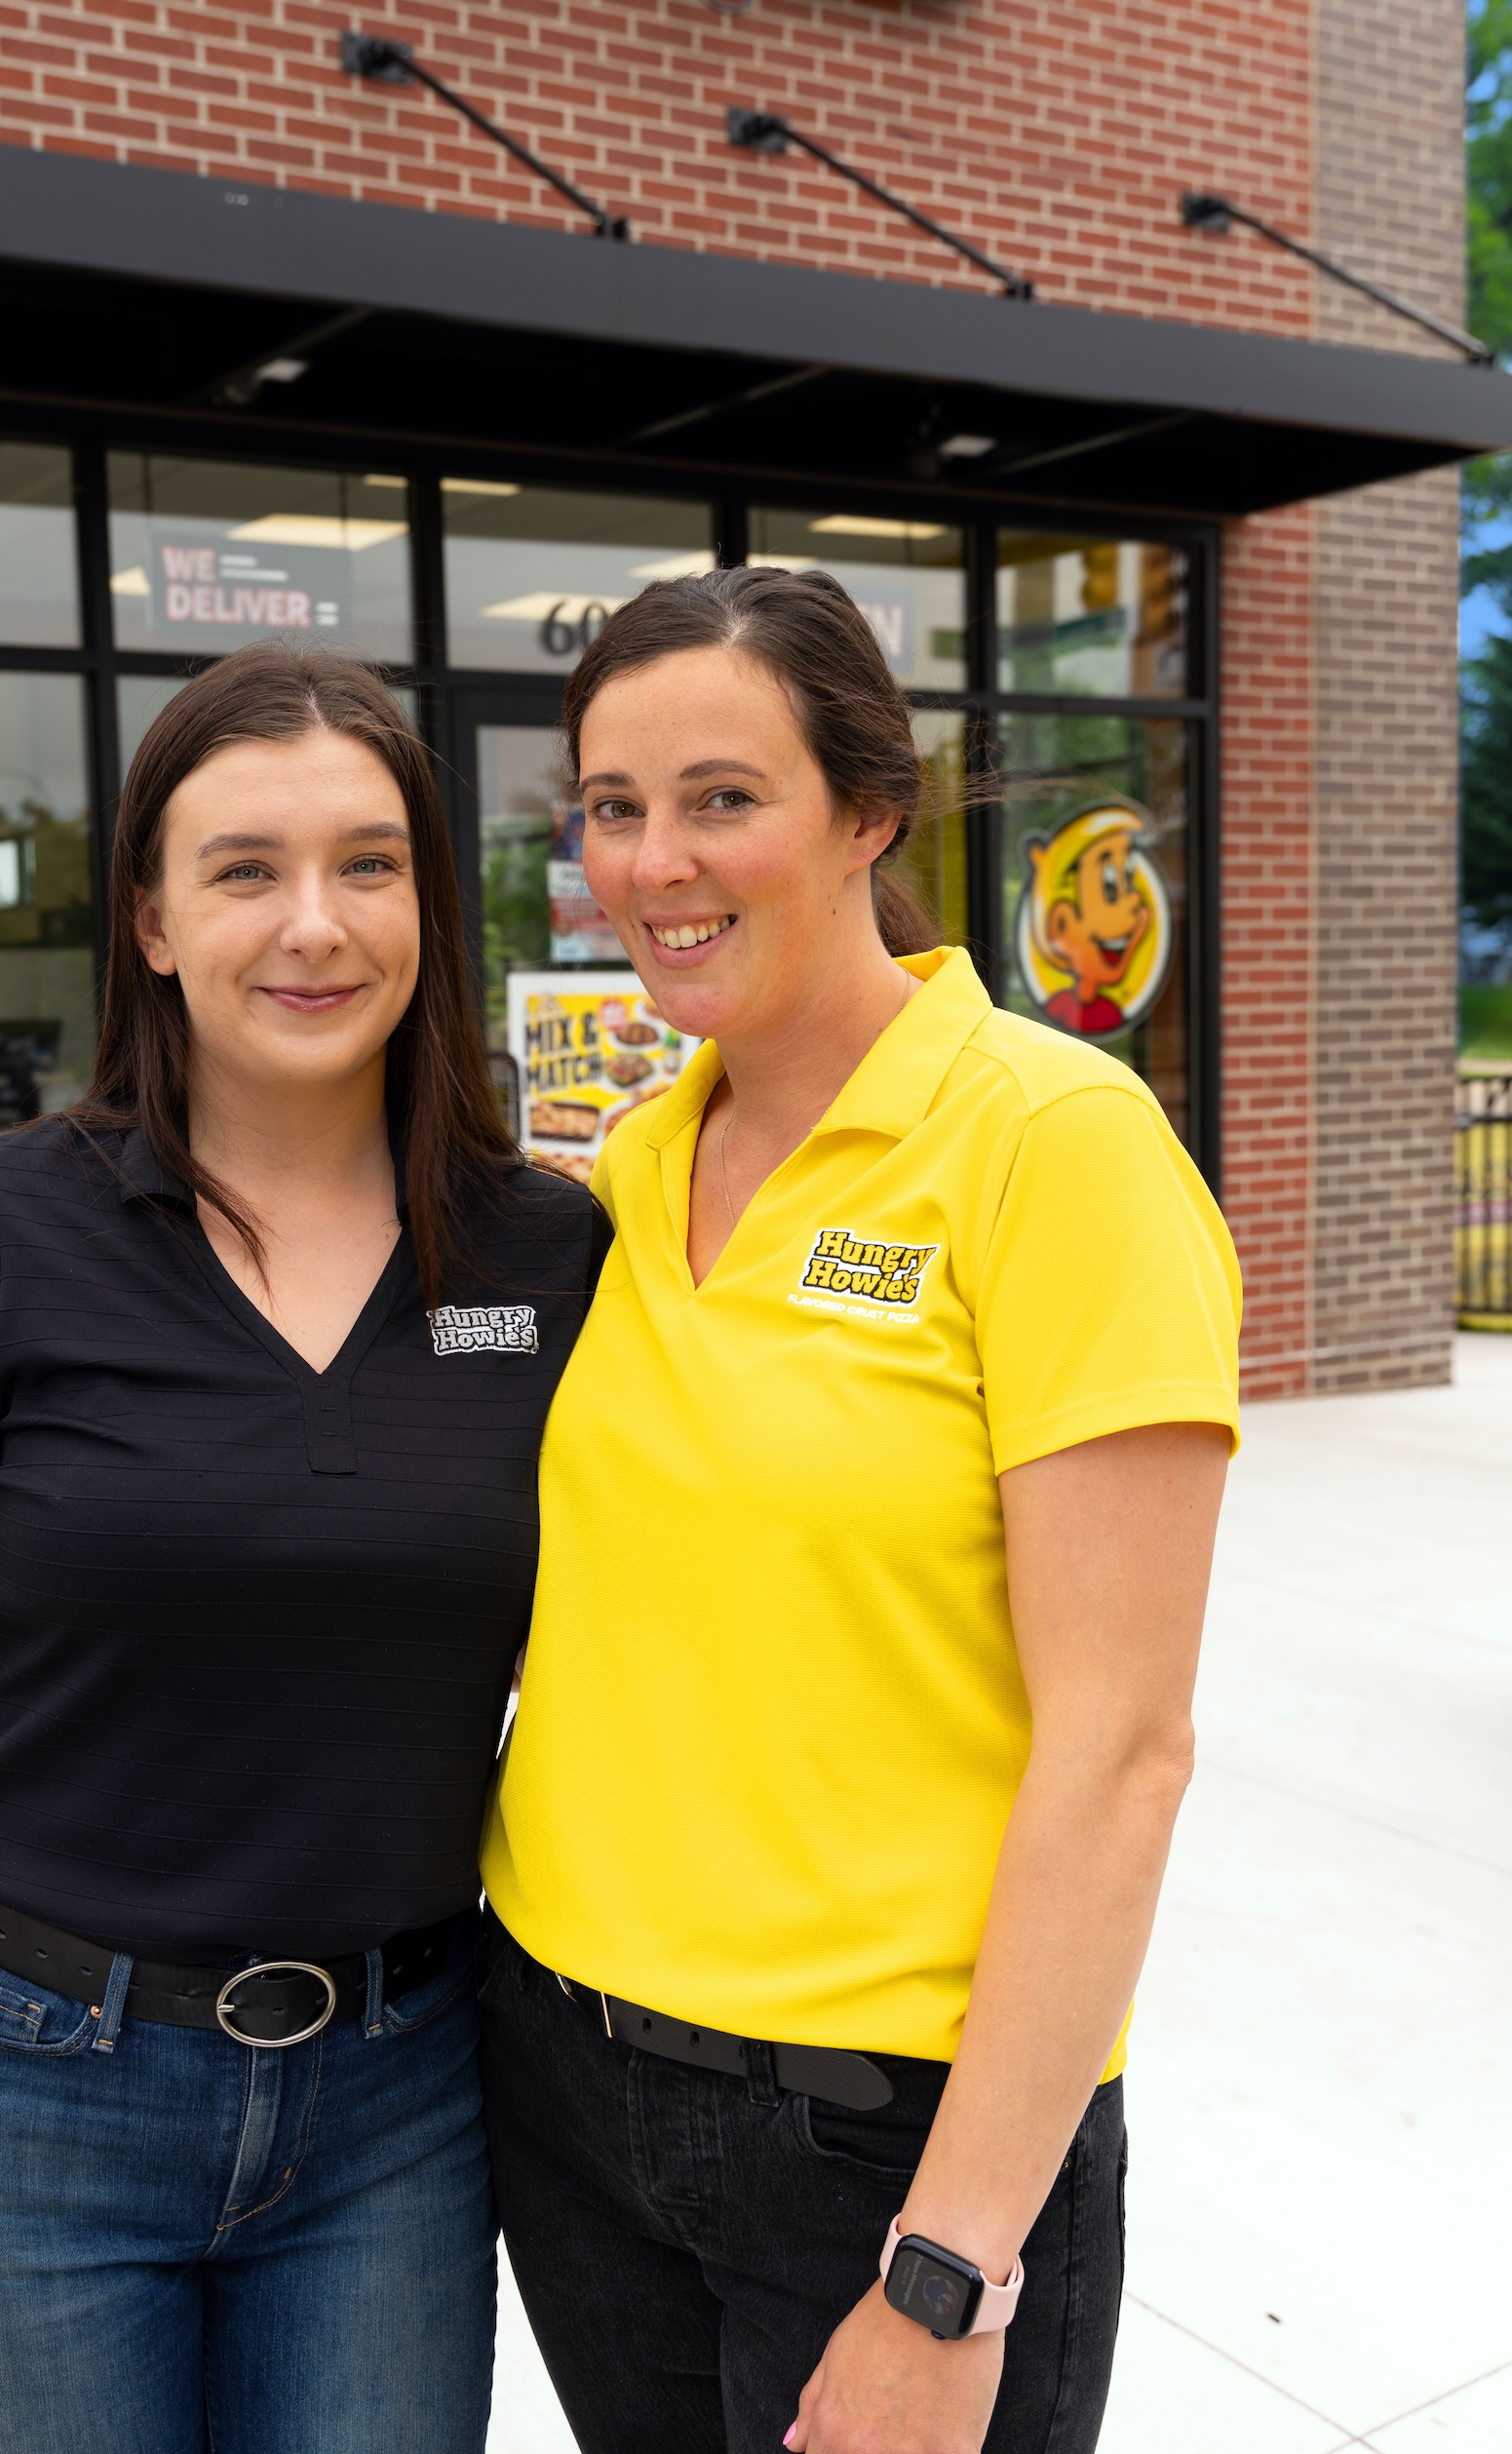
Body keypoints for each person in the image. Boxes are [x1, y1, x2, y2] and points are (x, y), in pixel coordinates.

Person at [0, 644, 601, 2453]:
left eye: (369, 864)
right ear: (149, 916)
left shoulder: (546, 1254)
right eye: (245, 868)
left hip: (400, 2096)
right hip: (24, 2092)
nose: (316, 922)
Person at [477, 565, 1241, 2454]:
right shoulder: (633, 1162)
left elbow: (1124, 1749)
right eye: (615, 805)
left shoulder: (1051, 1145)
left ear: (869, 812)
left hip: (886, 2128)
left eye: (723, 797)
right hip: (565, 2072)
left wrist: (951, 2263)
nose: (657, 861)